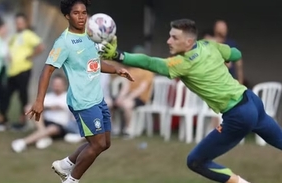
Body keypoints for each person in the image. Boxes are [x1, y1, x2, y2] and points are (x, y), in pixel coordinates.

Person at [101, 19, 282, 183]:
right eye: (169, 36)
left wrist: (119, 56)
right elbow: (235, 54)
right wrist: (224, 55)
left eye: (174, 37)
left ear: (188, 42)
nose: (168, 41)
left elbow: (149, 63)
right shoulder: (209, 45)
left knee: (196, 161)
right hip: (253, 101)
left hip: (238, 115)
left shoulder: (182, 63)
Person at [26, 1, 134, 183]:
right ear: (67, 16)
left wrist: (116, 70)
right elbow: (47, 71)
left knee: (105, 143)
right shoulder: (64, 42)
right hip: (82, 101)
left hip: (97, 98)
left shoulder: (90, 36)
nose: (81, 16)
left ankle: (65, 164)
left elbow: (94, 63)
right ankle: (71, 180)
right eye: (76, 13)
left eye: (84, 12)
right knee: (97, 143)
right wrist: (39, 101)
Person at [0, 12, 45, 130]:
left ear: (25, 23)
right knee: (6, 95)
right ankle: (3, 118)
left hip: (23, 70)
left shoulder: (28, 34)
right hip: (12, 71)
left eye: (20, 22)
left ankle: (23, 121)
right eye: (17, 22)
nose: (18, 24)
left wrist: (30, 56)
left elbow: (41, 47)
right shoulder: (14, 36)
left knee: (22, 96)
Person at [11, 74, 74, 153]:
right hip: (45, 122)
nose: (56, 86)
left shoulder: (68, 98)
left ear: (64, 85)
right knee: (29, 107)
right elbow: (38, 107)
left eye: (59, 84)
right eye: (55, 84)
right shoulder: (47, 96)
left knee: (52, 128)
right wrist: (50, 108)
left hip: (59, 125)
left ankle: (23, 142)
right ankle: (43, 134)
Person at [214, 20, 244, 85]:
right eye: (222, 28)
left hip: (229, 80)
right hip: (215, 81)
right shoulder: (211, 44)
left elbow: (239, 65)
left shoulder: (231, 44)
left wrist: (240, 82)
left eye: (225, 28)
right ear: (216, 29)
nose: (224, 30)